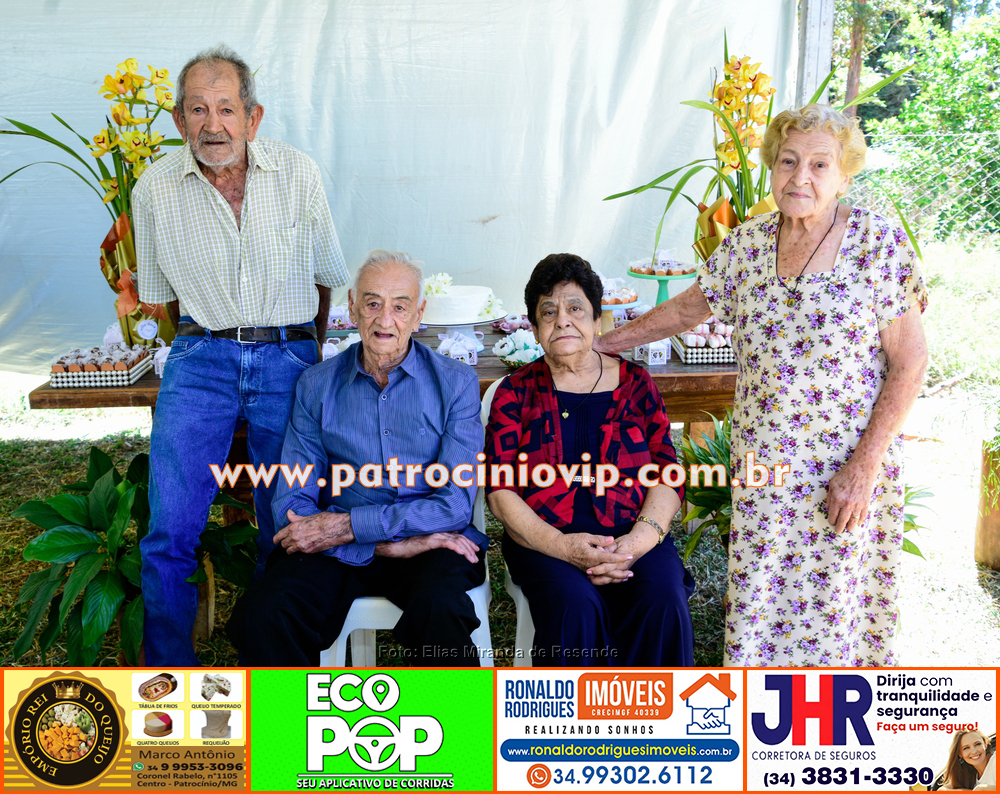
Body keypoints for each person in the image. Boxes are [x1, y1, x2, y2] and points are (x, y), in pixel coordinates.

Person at [596, 104, 928, 667]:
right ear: (772, 168)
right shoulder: (749, 243)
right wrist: (605, 343)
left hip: (844, 467)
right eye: (788, 161)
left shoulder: (877, 243)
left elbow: (911, 363)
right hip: (765, 467)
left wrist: (864, 467)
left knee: (834, 605)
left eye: (820, 165)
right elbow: (687, 308)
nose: (800, 177)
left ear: (845, 176)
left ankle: (830, 717)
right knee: (761, 599)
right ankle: (760, 714)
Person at [134, 45, 349, 666]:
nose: (213, 124)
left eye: (226, 108)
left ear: (252, 117)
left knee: (288, 519)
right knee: (169, 527)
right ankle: (168, 680)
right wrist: (205, 339)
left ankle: (274, 661)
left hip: (288, 354)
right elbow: (160, 299)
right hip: (200, 355)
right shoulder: (153, 191)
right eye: (198, 109)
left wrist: (305, 357)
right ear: (179, 120)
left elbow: (326, 280)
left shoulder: (297, 173)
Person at [228, 250, 488, 666]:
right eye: (372, 303)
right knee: (268, 611)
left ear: (419, 314)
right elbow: (292, 502)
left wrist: (351, 528)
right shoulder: (316, 384)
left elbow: (454, 505)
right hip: (341, 548)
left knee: (441, 608)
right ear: (351, 306)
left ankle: (444, 712)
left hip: (428, 543)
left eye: (400, 306)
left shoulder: (455, 383)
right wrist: (386, 546)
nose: (385, 320)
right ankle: (290, 711)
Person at [485, 253, 694, 666]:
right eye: (548, 312)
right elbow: (500, 491)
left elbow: (668, 475)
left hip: (634, 535)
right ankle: (575, 711)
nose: (562, 320)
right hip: (545, 542)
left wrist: (636, 543)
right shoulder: (515, 393)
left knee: (663, 599)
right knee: (574, 607)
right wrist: (562, 546)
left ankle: (656, 708)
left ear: (598, 320)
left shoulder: (637, 384)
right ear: (535, 329)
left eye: (576, 308)